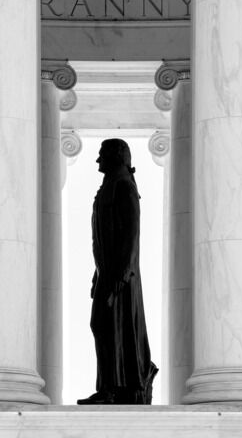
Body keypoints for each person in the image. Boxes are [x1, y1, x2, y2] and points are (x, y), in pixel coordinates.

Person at [78, 138, 158, 405]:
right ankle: (109, 387)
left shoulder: (124, 186)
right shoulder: (111, 185)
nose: (97, 160)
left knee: (113, 328)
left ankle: (116, 388)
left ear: (116, 156)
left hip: (121, 277)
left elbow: (131, 236)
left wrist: (121, 275)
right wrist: (97, 274)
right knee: (102, 325)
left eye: (102, 154)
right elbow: (103, 239)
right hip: (107, 274)